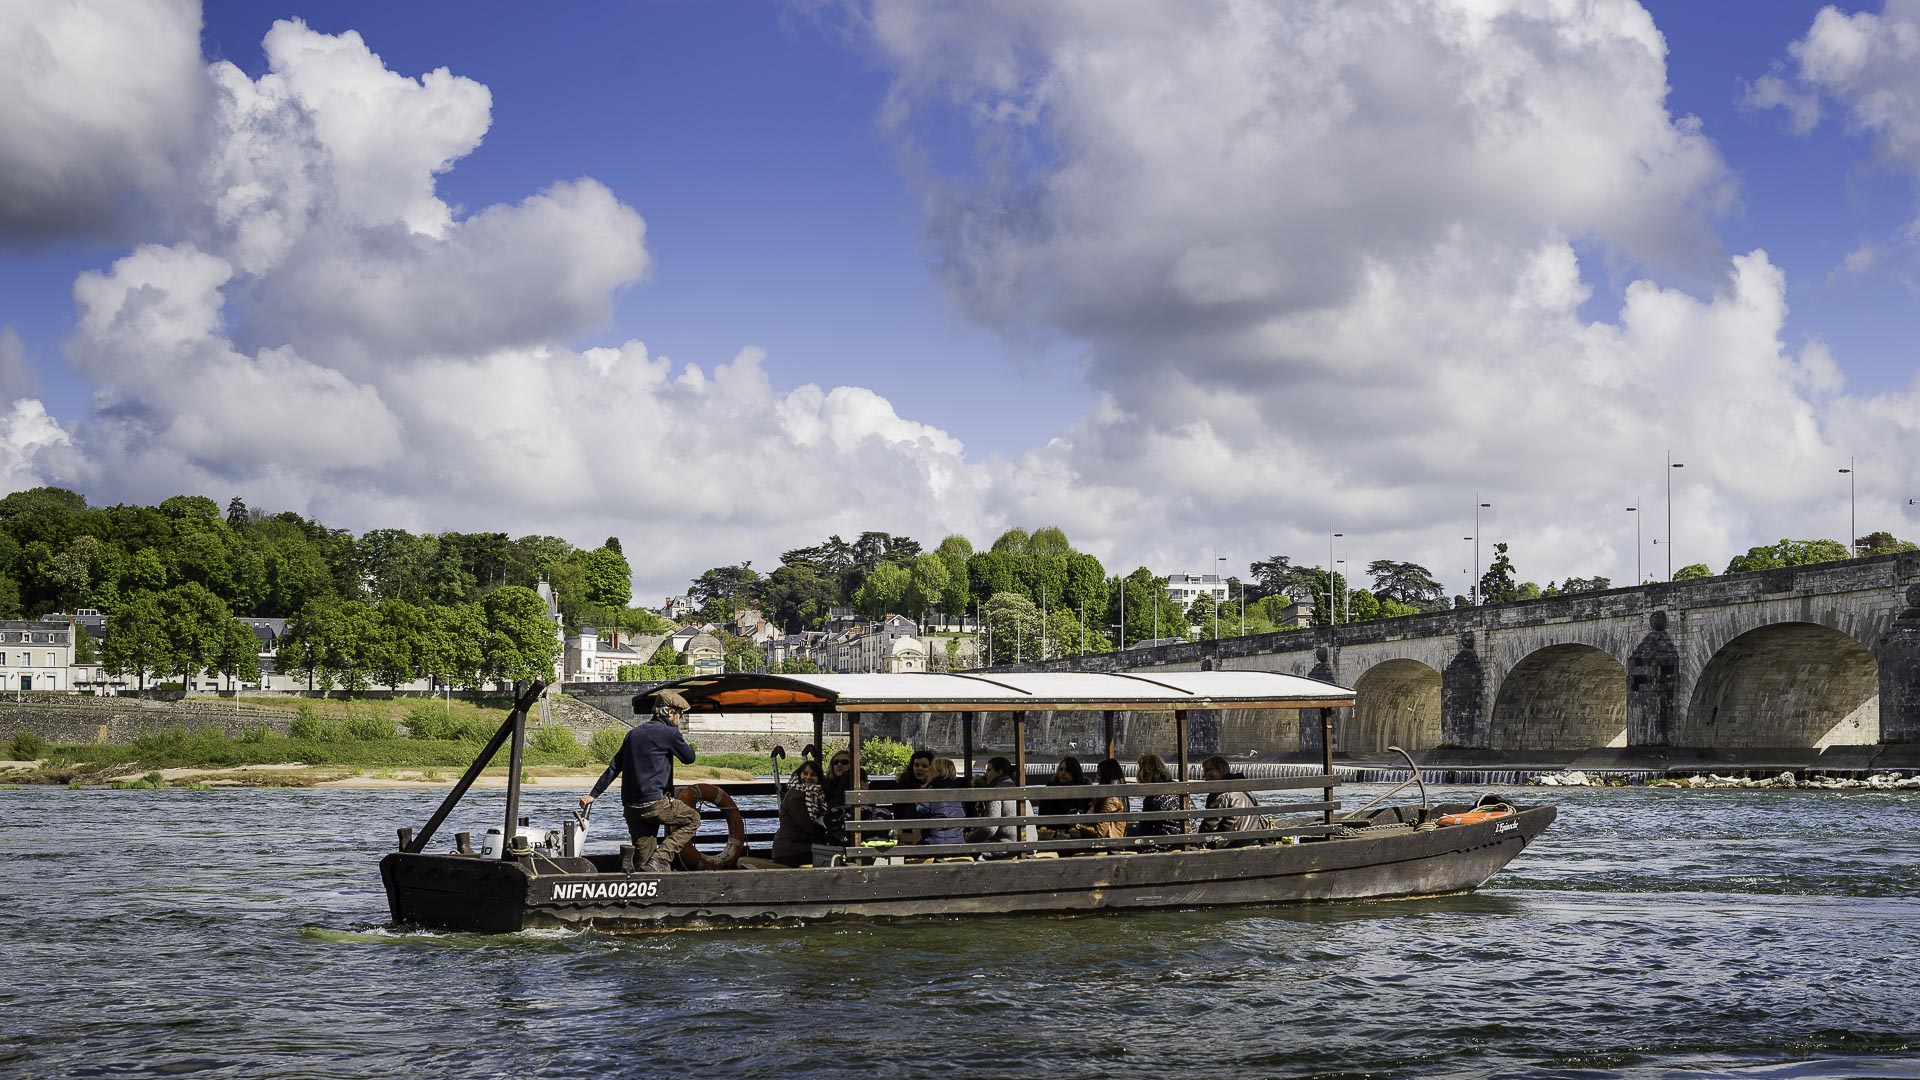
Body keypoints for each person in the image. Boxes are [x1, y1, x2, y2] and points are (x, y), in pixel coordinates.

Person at [579, 689, 699, 872]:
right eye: (679, 713)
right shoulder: (670, 733)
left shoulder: (633, 734)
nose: (680, 717)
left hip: (632, 807)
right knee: (693, 819)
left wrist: (593, 795)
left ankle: (646, 886)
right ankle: (662, 857)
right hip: (654, 805)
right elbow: (689, 758)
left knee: (645, 864)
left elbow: (614, 766)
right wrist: (678, 734)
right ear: (668, 712)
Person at [772, 759, 829, 867]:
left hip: (801, 846)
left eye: (813, 774)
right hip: (790, 849)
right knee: (831, 855)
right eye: (805, 773)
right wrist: (827, 834)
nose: (808, 777)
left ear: (819, 779)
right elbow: (807, 825)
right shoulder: (795, 796)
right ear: (799, 775)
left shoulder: (817, 795)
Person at [902, 749, 964, 846]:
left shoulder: (932, 792)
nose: (928, 773)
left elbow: (911, 815)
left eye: (930, 770)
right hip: (957, 844)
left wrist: (921, 794)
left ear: (937, 773)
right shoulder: (957, 793)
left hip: (934, 845)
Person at [1199, 754, 1260, 836]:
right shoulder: (1245, 790)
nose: (1204, 775)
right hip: (1251, 839)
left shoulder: (1219, 794)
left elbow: (1209, 827)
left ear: (1219, 770)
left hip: (1230, 842)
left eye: (1207, 770)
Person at [965, 756, 1021, 844]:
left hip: (1008, 845)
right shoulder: (1015, 788)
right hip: (1027, 842)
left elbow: (990, 828)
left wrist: (968, 839)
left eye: (989, 770)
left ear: (1000, 772)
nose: (986, 773)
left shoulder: (996, 792)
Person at [1127, 753, 1181, 838]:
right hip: (1187, 836)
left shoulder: (1153, 795)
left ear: (1144, 773)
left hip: (1163, 841)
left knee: (1126, 832)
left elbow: (1144, 828)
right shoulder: (1178, 788)